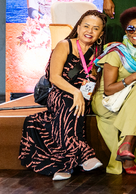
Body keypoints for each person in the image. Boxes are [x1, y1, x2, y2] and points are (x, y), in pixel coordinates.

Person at [19, 10, 107, 180]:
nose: (90, 31)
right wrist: (75, 92)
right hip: (60, 92)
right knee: (69, 102)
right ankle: (84, 156)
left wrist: (84, 91)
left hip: (84, 96)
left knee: (74, 104)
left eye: (95, 28)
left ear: (101, 33)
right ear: (79, 27)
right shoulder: (65, 45)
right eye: (86, 26)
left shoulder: (100, 53)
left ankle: (62, 165)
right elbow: (54, 77)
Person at [92, 6, 136, 175]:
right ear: (126, 32)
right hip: (107, 101)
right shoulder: (116, 52)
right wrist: (134, 76)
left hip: (129, 99)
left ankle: (126, 147)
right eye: (131, 29)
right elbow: (108, 90)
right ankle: (127, 150)